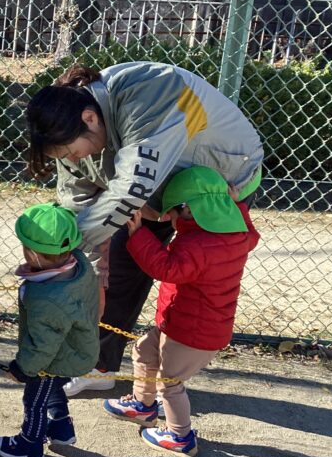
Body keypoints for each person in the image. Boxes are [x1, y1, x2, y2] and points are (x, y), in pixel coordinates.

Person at [26, 61, 264, 396]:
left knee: (197, 287)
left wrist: (63, 250)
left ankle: (172, 382)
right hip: (152, 196)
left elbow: (132, 185)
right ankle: (99, 366)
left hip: (217, 192)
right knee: (119, 274)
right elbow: (77, 204)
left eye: (70, 152)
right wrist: (89, 272)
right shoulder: (69, 133)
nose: (73, 160)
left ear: (89, 118)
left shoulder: (148, 89)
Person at [102, 166, 260, 457]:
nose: (169, 219)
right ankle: (142, 405)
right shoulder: (237, 235)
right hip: (185, 323)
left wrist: (138, 234)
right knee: (144, 351)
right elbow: (251, 233)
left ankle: (180, 436)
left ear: (188, 210)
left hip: (191, 333)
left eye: (171, 213)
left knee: (170, 383)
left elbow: (167, 268)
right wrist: (237, 206)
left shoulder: (197, 244)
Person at [0, 204, 99, 457]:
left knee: (35, 398)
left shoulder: (47, 299)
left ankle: (30, 444)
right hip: (75, 348)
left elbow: (42, 346)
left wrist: (22, 369)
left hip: (53, 359)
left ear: (31, 252)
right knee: (52, 389)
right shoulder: (79, 262)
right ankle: (61, 428)